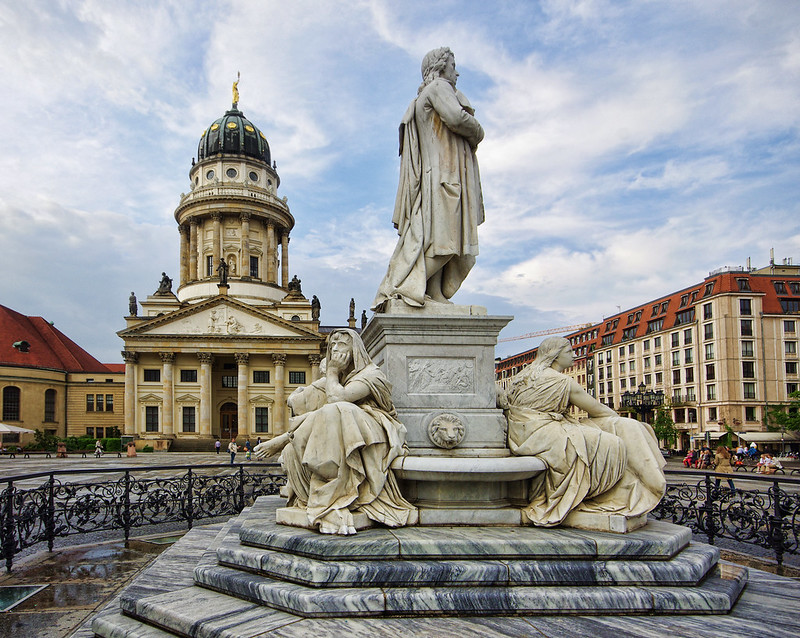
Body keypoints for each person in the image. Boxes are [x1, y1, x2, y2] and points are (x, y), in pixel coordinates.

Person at [253, 328, 416, 535]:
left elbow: (337, 399)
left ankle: (332, 494)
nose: (336, 349)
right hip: (348, 428)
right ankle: (292, 448)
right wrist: (312, 388)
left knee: (337, 410)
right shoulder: (341, 378)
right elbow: (298, 402)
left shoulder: (372, 375)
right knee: (325, 417)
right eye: (332, 346)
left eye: (342, 345)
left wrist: (331, 372)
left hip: (375, 434)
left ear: (355, 349)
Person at [499, 337, 666, 527]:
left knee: (616, 432)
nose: (574, 355)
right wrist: (616, 420)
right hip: (543, 431)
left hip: (519, 433)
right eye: (569, 352)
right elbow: (598, 409)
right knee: (614, 441)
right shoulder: (561, 382)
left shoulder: (522, 376)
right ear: (555, 355)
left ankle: (641, 483)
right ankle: (633, 489)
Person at [373, 47, 484, 309]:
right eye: (453, 65)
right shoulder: (439, 88)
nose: (456, 72)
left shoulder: (423, 97)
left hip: (437, 176)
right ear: (440, 66)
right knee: (446, 239)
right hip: (445, 176)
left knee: (439, 241)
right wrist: (478, 130)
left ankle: (434, 294)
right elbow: (457, 118)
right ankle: (400, 287)